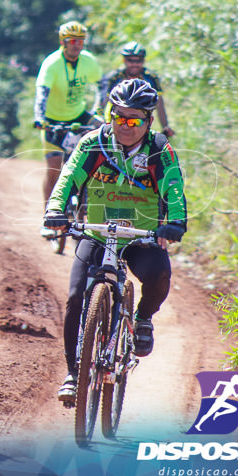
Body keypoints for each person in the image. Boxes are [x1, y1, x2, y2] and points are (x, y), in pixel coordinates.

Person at [42, 78, 187, 403]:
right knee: (76, 297)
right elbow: (68, 176)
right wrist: (55, 208)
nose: (124, 125)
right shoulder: (93, 143)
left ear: (149, 121)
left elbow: (174, 187)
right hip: (97, 231)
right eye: (118, 116)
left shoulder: (159, 149)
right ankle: (71, 373)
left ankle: (143, 318)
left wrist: (177, 221)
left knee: (159, 274)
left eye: (133, 120)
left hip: (141, 235)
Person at [33, 21, 103, 232]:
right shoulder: (52, 63)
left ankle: (90, 203)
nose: (77, 45)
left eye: (81, 41)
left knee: (102, 138)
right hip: (53, 120)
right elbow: (41, 94)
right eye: (73, 41)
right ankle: (48, 216)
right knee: (54, 168)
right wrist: (39, 118)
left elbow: (102, 86)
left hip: (79, 116)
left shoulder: (89, 61)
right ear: (63, 42)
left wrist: (99, 110)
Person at [97, 41, 175, 137]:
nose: (134, 64)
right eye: (130, 60)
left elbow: (160, 104)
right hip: (117, 121)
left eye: (138, 61)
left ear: (144, 61)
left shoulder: (151, 78)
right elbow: (104, 102)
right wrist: (101, 123)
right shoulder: (114, 78)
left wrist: (165, 126)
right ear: (124, 60)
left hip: (139, 122)